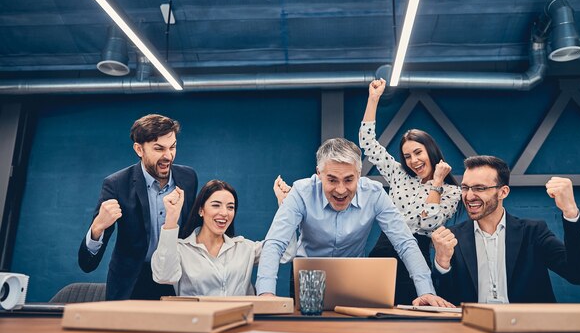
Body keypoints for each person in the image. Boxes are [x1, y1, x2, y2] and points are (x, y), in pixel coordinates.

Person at [256, 137, 452, 307]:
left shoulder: (374, 193)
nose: (341, 190)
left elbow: (405, 243)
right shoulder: (301, 191)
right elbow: (275, 243)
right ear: (319, 173)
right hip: (308, 278)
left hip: (352, 280)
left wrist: (426, 291)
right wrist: (265, 294)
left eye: (349, 180)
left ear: (359, 174)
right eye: (332, 180)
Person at [431, 155, 580, 305]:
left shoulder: (533, 232)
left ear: (503, 192)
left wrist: (570, 211)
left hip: (526, 331)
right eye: (466, 187)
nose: (469, 196)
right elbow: (444, 302)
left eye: (479, 188)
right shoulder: (452, 238)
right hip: (471, 331)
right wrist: (442, 263)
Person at [359, 78, 461, 304]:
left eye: (418, 152)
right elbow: (368, 144)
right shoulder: (398, 174)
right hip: (384, 250)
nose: (413, 160)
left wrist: (436, 183)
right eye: (407, 156)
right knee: (374, 310)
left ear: (431, 151)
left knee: (409, 314)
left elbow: (429, 224)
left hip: (416, 254)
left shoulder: (452, 191)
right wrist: (373, 99)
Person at [78, 114, 198, 300]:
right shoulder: (116, 184)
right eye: (159, 149)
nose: (168, 156)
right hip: (132, 283)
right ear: (139, 149)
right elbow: (87, 264)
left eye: (172, 147)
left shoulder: (188, 178)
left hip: (176, 279)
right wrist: (97, 228)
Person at [152, 179, 293, 296]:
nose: (224, 213)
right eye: (216, 205)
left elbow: (286, 252)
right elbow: (164, 276)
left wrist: (286, 206)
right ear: (201, 210)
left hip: (239, 323)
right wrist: (171, 218)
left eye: (230, 207)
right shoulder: (180, 250)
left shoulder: (245, 248)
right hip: (197, 324)